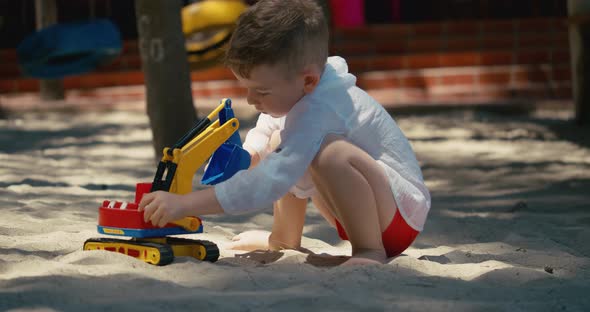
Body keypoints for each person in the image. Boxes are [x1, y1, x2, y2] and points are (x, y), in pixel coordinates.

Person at [139, 0, 431, 265]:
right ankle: (283, 239)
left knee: (330, 154)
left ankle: (369, 251)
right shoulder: (302, 91)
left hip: (399, 217)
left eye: (261, 91)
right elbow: (267, 128)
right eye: (247, 88)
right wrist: (249, 154)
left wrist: (187, 204)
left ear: (308, 81)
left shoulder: (323, 106)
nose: (251, 100)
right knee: (281, 142)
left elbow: (273, 179)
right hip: (362, 212)